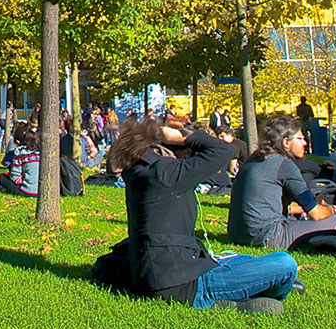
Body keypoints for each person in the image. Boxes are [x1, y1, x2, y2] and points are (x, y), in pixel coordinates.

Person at [108, 116, 301, 313]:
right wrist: (185, 137)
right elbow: (224, 150)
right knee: (285, 264)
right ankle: (232, 297)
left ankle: (247, 289)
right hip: (183, 284)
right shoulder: (165, 173)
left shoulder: (144, 171)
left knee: (243, 259)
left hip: (163, 272)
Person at [228, 116, 336, 250]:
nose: (305, 143)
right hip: (268, 235)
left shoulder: (252, 160)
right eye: (300, 139)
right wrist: (330, 209)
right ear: (286, 142)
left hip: (237, 235)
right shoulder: (283, 164)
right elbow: (316, 214)